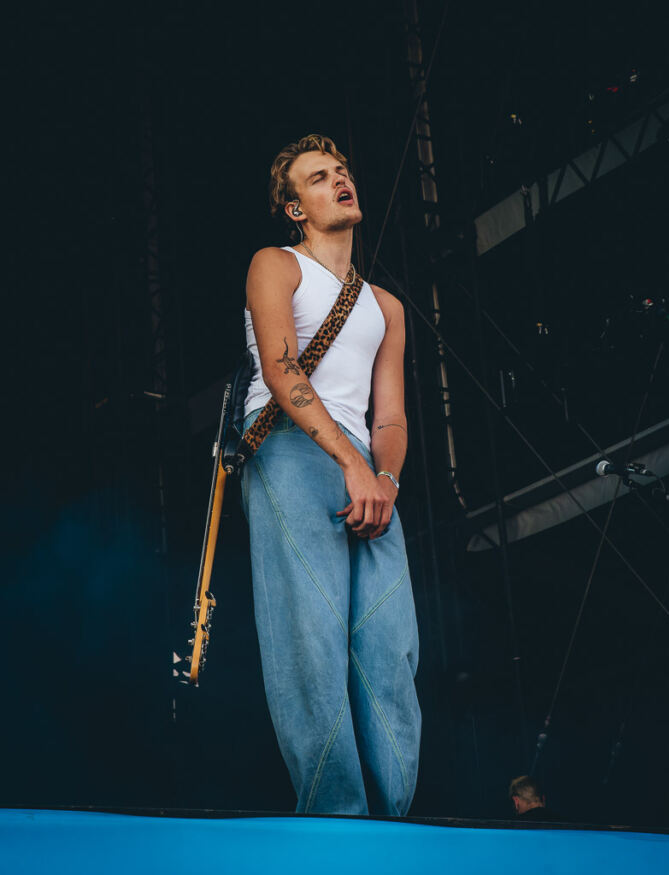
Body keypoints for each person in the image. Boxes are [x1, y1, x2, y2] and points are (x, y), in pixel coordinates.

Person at [240, 134, 421, 816]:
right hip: (291, 443)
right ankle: (337, 822)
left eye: (342, 170)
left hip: (369, 469)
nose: (340, 180)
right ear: (294, 207)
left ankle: (394, 817)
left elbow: (393, 417)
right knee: (309, 635)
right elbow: (281, 371)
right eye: (319, 177)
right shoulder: (276, 264)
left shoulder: (387, 306)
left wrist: (385, 480)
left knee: (389, 640)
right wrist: (352, 464)